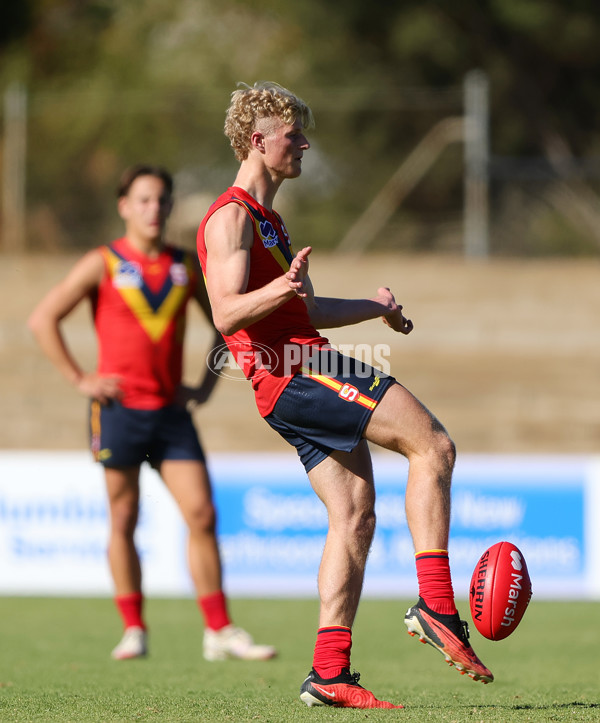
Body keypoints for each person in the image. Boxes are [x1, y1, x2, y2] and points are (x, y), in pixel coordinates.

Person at [197, 82, 493, 709]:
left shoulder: (268, 219)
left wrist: (373, 307)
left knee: (354, 512)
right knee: (433, 446)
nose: (303, 143)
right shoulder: (230, 215)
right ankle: (438, 605)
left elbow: (305, 306)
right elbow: (226, 314)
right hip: (294, 370)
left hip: (290, 371)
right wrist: (283, 294)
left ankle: (328, 673)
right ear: (258, 141)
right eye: (292, 135)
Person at [28, 163, 276, 663]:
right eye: (142, 200)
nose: (153, 209)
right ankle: (134, 628)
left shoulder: (185, 265)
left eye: (161, 200)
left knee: (202, 514)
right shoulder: (102, 262)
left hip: (171, 415)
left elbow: (226, 323)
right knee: (123, 517)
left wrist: (204, 385)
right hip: (118, 411)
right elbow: (43, 319)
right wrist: (82, 380)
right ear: (124, 207)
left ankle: (218, 630)